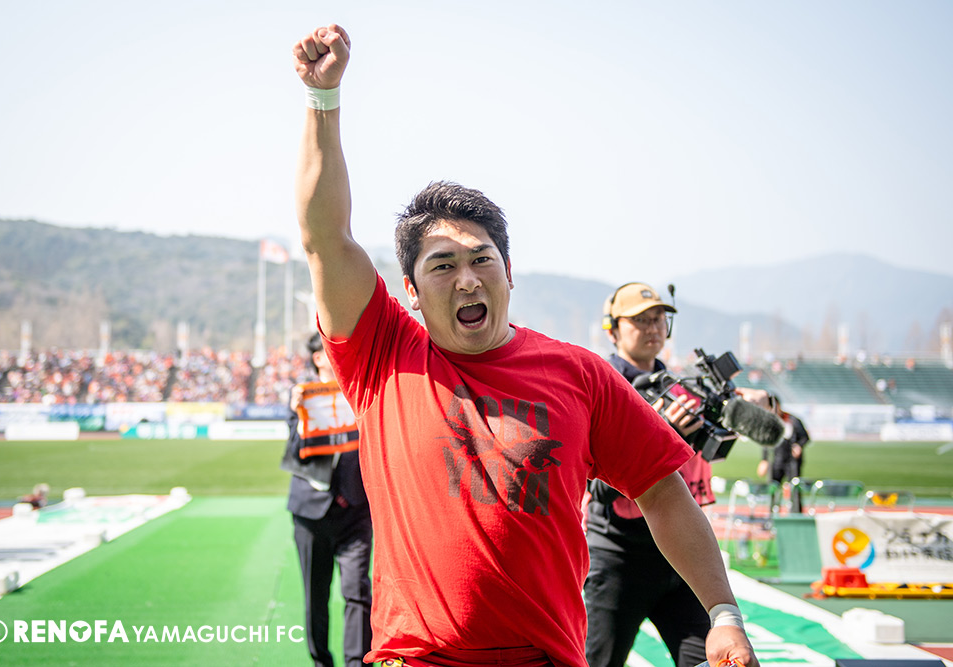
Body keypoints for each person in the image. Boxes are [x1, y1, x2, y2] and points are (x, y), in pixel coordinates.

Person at [292, 24, 757, 667]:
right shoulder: (383, 354)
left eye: (481, 259)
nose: (467, 278)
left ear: (509, 272)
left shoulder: (580, 375)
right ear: (411, 291)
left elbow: (662, 489)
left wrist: (723, 615)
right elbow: (325, 237)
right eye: (442, 265)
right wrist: (323, 101)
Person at [584, 283, 712, 667]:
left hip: (678, 550)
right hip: (618, 555)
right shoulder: (599, 384)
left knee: (709, 657)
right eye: (640, 320)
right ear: (613, 329)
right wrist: (660, 432)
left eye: (658, 318)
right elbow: (598, 486)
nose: (653, 327)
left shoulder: (678, 388)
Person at [282, 333, 372, 667]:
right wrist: (299, 416)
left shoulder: (361, 392)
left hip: (356, 510)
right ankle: (322, 662)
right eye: (328, 350)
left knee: (357, 592)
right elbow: (296, 453)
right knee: (315, 595)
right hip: (311, 513)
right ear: (318, 358)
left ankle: (357, 662)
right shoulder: (302, 397)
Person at [756, 394, 810, 513]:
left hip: (792, 461)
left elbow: (805, 437)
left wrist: (799, 446)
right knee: (773, 488)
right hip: (776, 460)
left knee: (794, 488)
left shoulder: (792, 420)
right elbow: (765, 442)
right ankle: (772, 514)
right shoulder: (768, 423)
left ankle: (796, 514)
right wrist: (764, 459)